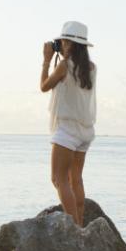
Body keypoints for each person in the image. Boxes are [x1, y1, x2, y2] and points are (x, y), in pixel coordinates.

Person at [40, 21, 96, 227]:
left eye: (62, 41)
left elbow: (44, 86)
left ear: (69, 43)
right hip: (86, 130)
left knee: (58, 179)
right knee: (76, 180)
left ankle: (74, 228)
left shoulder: (64, 66)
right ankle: (80, 223)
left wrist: (46, 60)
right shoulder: (91, 68)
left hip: (67, 130)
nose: (60, 44)